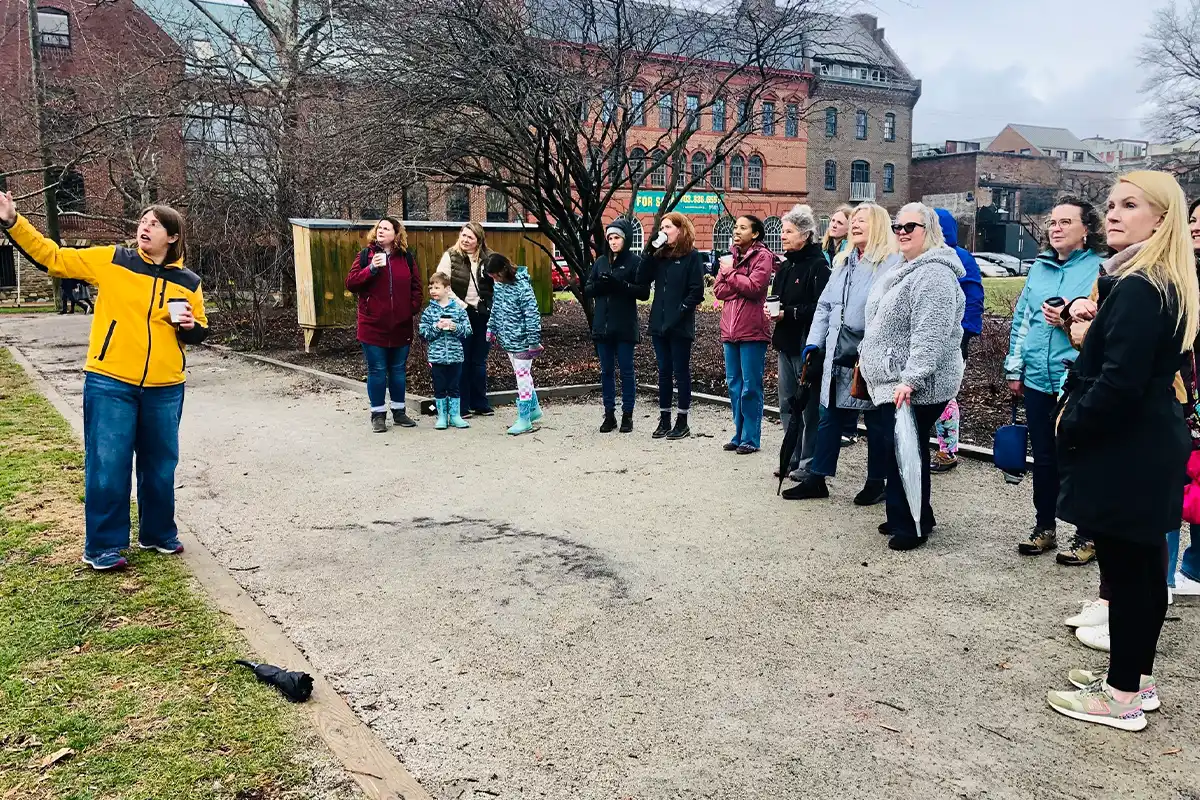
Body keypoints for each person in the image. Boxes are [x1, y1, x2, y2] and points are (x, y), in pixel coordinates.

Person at [1046, 171, 1198, 731]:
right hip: (1143, 442)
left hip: (1128, 446)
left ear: (1161, 218)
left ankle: (1123, 696)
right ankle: (1134, 678)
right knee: (1138, 567)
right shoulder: (1155, 280)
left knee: (1133, 572)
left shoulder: (1141, 286)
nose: (1112, 214)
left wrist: (1072, 425)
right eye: (1110, 204)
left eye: (1130, 205)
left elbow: (1120, 382)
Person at [0, 192, 208, 571]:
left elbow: (198, 330)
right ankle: (103, 546)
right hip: (111, 381)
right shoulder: (114, 259)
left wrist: (192, 328)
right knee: (108, 464)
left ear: (173, 237)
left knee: (160, 465)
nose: (144, 227)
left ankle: (158, 533)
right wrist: (13, 221)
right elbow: (54, 258)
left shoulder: (188, 281)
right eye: (143, 221)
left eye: (155, 223)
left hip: (165, 386)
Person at [1002, 198, 1106, 563]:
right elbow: (1021, 321)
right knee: (1044, 457)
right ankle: (1044, 526)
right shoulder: (1039, 268)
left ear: (1087, 229)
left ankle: (1087, 534)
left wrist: (1067, 318)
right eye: (1052, 222)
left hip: (1075, 380)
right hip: (1036, 378)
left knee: (1080, 457)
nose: (1055, 228)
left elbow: (1105, 327)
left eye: (1065, 221)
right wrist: (1015, 369)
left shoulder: (1102, 268)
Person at [860, 203, 965, 551]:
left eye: (910, 226)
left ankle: (912, 526)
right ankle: (911, 514)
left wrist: (912, 378)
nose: (901, 231)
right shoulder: (906, 269)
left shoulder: (934, 273)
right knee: (899, 449)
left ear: (929, 230)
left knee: (908, 451)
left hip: (917, 385)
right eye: (897, 226)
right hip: (895, 381)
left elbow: (929, 334)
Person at [785, 203, 899, 503]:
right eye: (854, 221)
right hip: (837, 350)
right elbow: (824, 306)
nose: (856, 225)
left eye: (863, 221)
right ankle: (818, 477)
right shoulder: (843, 261)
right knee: (829, 414)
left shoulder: (891, 263)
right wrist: (815, 343)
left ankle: (877, 481)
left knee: (875, 420)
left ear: (878, 225)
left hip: (870, 352)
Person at [345, 217, 423, 433]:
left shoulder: (406, 258)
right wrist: (370, 269)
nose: (381, 231)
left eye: (386, 228)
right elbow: (351, 283)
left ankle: (399, 411)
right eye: (379, 228)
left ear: (396, 234)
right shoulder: (365, 255)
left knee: (398, 370)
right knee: (377, 370)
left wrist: (411, 308)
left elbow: (416, 286)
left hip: (401, 324)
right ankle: (378, 415)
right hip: (372, 324)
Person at [771, 204, 830, 478]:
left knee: (808, 408)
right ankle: (791, 457)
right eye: (782, 231)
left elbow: (822, 307)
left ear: (805, 235)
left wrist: (790, 313)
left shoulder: (819, 266)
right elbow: (775, 298)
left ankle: (808, 463)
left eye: (789, 231)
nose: (783, 236)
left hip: (807, 345)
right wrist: (772, 311)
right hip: (784, 342)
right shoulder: (784, 267)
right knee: (785, 404)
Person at [642, 212, 705, 441]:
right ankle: (664, 418)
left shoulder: (692, 257)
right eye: (662, 227)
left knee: (680, 372)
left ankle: (682, 420)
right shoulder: (660, 257)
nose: (664, 230)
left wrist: (679, 313)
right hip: (659, 325)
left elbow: (696, 292)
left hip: (679, 326)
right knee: (663, 372)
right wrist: (649, 252)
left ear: (680, 230)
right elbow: (642, 278)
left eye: (668, 227)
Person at [714, 215, 774, 455]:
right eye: (735, 227)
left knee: (750, 387)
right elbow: (718, 290)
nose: (736, 231)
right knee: (733, 385)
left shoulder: (763, 257)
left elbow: (755, 288)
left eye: (742, 227)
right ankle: (738, 434)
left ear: (756, 233)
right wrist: (736, 280)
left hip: (752, 331)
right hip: (730, 330)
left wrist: (731, 275)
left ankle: (751, 438)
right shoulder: (731, 257)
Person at [930, 209, 984, 474]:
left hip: (953, 337)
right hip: (929, 336)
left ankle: (947, 450)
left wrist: (963, 333)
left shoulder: (960, 258)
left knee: (946, 393)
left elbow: (973, 296)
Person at [585, 217, 648, 433]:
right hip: (602, 326)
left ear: (625, 239)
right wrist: (600, 286)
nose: (613, 242)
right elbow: (588, 288)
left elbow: (643, 292)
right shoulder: (601, 261)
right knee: (606, 371)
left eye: (617, 238)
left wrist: (619, 284)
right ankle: (609, 414)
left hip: (624, 326)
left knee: (627, 370)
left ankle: (627, 414)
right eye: (610, 238)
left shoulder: (634, 262)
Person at [436, 222, 495, 417]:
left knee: (479, 360)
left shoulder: (488, 258)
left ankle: (480, 402)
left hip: (483, 314)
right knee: (462, 359)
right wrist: (462, 306)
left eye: (470, 237)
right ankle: (461, 406)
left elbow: (497, 284)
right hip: (461, 313)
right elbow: (442, 284)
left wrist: (490, 305)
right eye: (463, 235)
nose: (465, 239)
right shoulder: (451, 256)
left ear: (479, 240)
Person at [485, 253, 544, 436]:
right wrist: (491, 328)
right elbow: (496, 308)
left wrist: (533, 341)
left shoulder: (522, 287)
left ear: (503, 269)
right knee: (522, 375)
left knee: (522, 377)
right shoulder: (500, 285)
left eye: (495, 275)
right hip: (508, 340)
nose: (494, 279)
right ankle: (534, 410)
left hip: (523, 341)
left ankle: (524, 418)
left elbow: (532, 314)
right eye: (491, 276)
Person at [1174, 197, 1200, 596]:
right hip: (1186, 390)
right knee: (1190, 478)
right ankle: (1192, 567)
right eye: (1193, 218)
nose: (1195, 225)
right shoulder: (1185, 274)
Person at [419, 273, 472, 430]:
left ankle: (455, 415)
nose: (433, 291)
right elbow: (424, 333)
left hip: (456, 356)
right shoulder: (429, 311)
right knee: (440, 386)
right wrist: (437, 327)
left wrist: (454, 327)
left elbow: (467, 331)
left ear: (447, 289)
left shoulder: (458, 310)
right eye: (431, 288)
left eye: (437, 287)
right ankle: (442, 416)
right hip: (437, 357)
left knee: (454, 386)